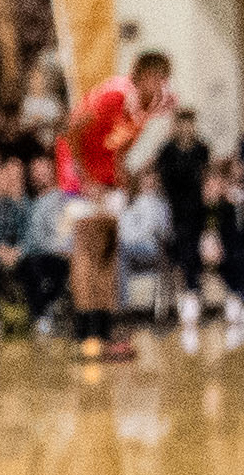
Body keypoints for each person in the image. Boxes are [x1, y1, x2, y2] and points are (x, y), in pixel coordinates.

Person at [54, 47, 169, 363]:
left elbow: (116, 143)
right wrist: (87, 179)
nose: (164, 85)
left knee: (107, 250)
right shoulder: (115, 96)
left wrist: (119, 172)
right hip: (77, 168)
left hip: (103, 172)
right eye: (161, 78)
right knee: (88, 249)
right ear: (145, 76)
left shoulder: (142, 108)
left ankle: (103, 331)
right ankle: (86, 334)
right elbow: (73, 131)